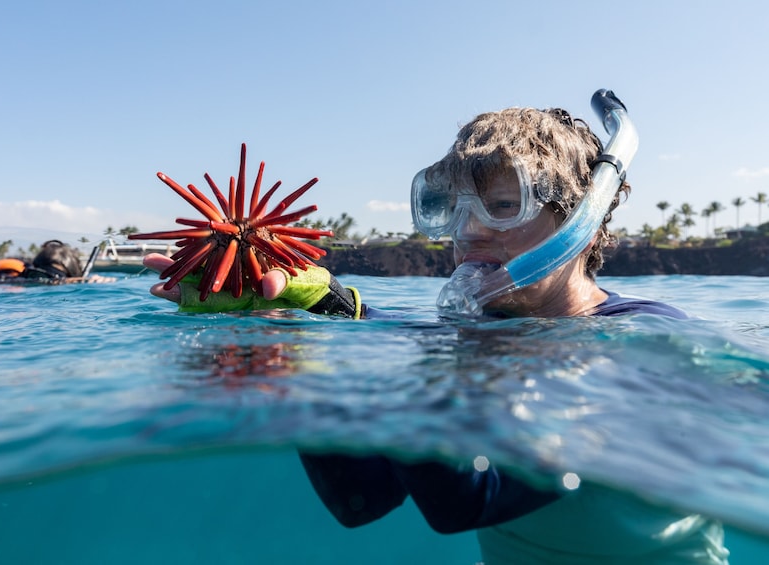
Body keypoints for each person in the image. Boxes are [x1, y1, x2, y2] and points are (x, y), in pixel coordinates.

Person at [142, 92, 729, 563]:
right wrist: (290, 344)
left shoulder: (641, 342)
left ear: (587, 225)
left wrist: (412, 363)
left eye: (503, 206)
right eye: (454, 208)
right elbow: (361, 501)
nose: (469, 233)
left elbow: (469, 500)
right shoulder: (474, 333)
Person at [0, 240, 115, 284]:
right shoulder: (12, 276)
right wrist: (80, 280)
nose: (52, 281)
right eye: (46, 275)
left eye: (56, 276)